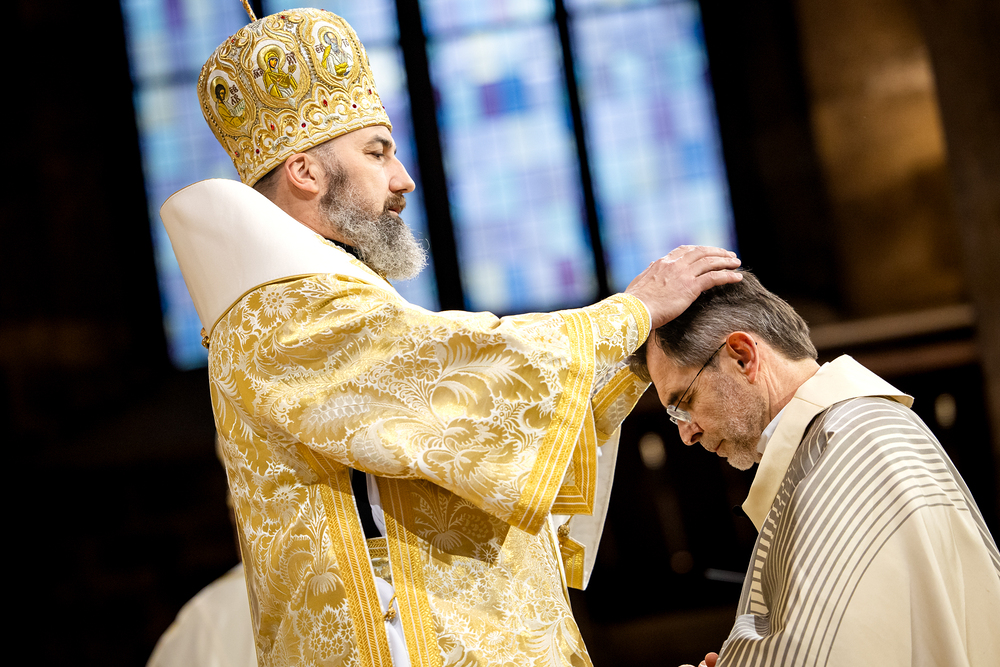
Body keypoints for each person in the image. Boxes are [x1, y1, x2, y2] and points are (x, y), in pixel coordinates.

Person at [161, 6, 742, 667]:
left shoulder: (318, 293)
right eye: (377, 152)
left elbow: (451, 414)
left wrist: (628, 350)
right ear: (305, 172)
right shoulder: (281, 306)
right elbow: (452, 369)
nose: (403, 178)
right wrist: (629, 314)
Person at [630, 270, 1000, 667]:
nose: (687, 434)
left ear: (742, 356)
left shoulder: (853, 446)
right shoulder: (836, 443)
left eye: (685, 402)